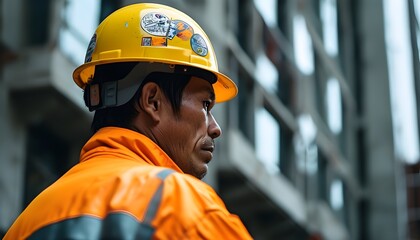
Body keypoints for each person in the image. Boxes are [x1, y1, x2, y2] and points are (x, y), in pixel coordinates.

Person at [4, 3, 252, 240]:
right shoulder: (182, 207)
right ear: (152, 101)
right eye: (205, 105)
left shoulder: (27, 222)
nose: (215, 128)